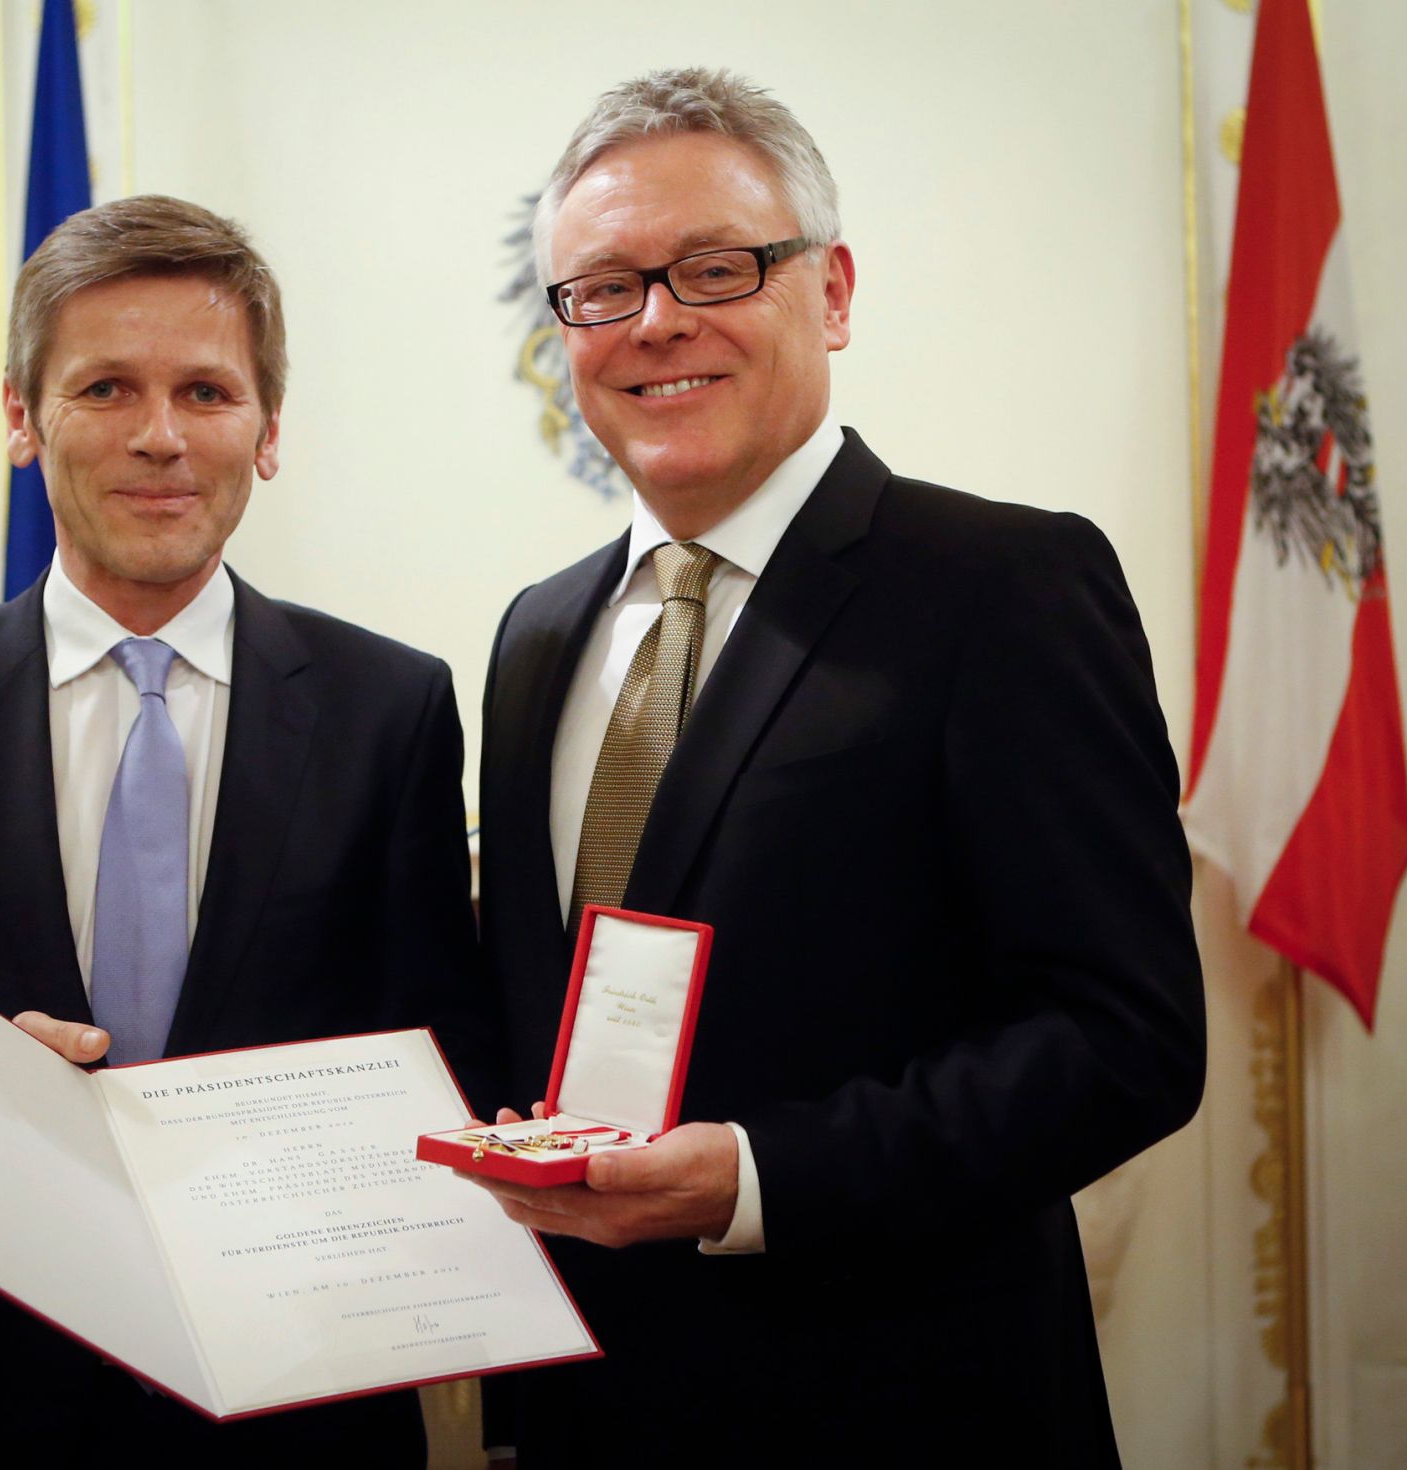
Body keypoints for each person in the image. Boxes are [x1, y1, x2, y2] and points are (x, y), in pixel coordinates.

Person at [466, 68, 1205, 1465]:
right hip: (593, 1412)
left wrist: (755, 1177)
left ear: (834, 292)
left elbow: (1126, 1042)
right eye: (603, 288)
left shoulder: (1004, 587)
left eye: (714, 267)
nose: (657, 322)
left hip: (909, 1405)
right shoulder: (536, 635)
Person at [0, 195, 480, 1467]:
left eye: (207, 392)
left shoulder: (390, 709)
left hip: (299, 1413)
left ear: (267, 431)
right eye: (107, 388)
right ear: (22, 418)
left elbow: (449, 1072)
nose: (161, 438)